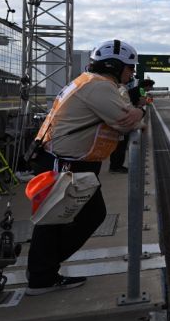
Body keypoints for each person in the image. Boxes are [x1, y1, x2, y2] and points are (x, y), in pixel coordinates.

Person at [26, 39, 145, 296]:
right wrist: (138, 114)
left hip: (68, 161)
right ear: (115, 66)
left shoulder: (91, 82)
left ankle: (42, 272)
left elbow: (123, 114)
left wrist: (134, 112)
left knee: (60, 219)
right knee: (63, 219)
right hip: (68, 164)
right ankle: (41, 275)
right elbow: (125, 123)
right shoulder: (98, 87)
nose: (132, 73)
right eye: (129, 68)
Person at [109, 77, 154, 173]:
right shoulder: (141, 90)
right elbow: (143, 102)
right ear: (147, 86)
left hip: (123, 114)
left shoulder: (134, 89)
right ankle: (116, 167)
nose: (151, 89)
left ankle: (114, 166)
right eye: (150, 87)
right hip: (128, 116)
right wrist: (149, 100)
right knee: (121, 144)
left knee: (119, 145)